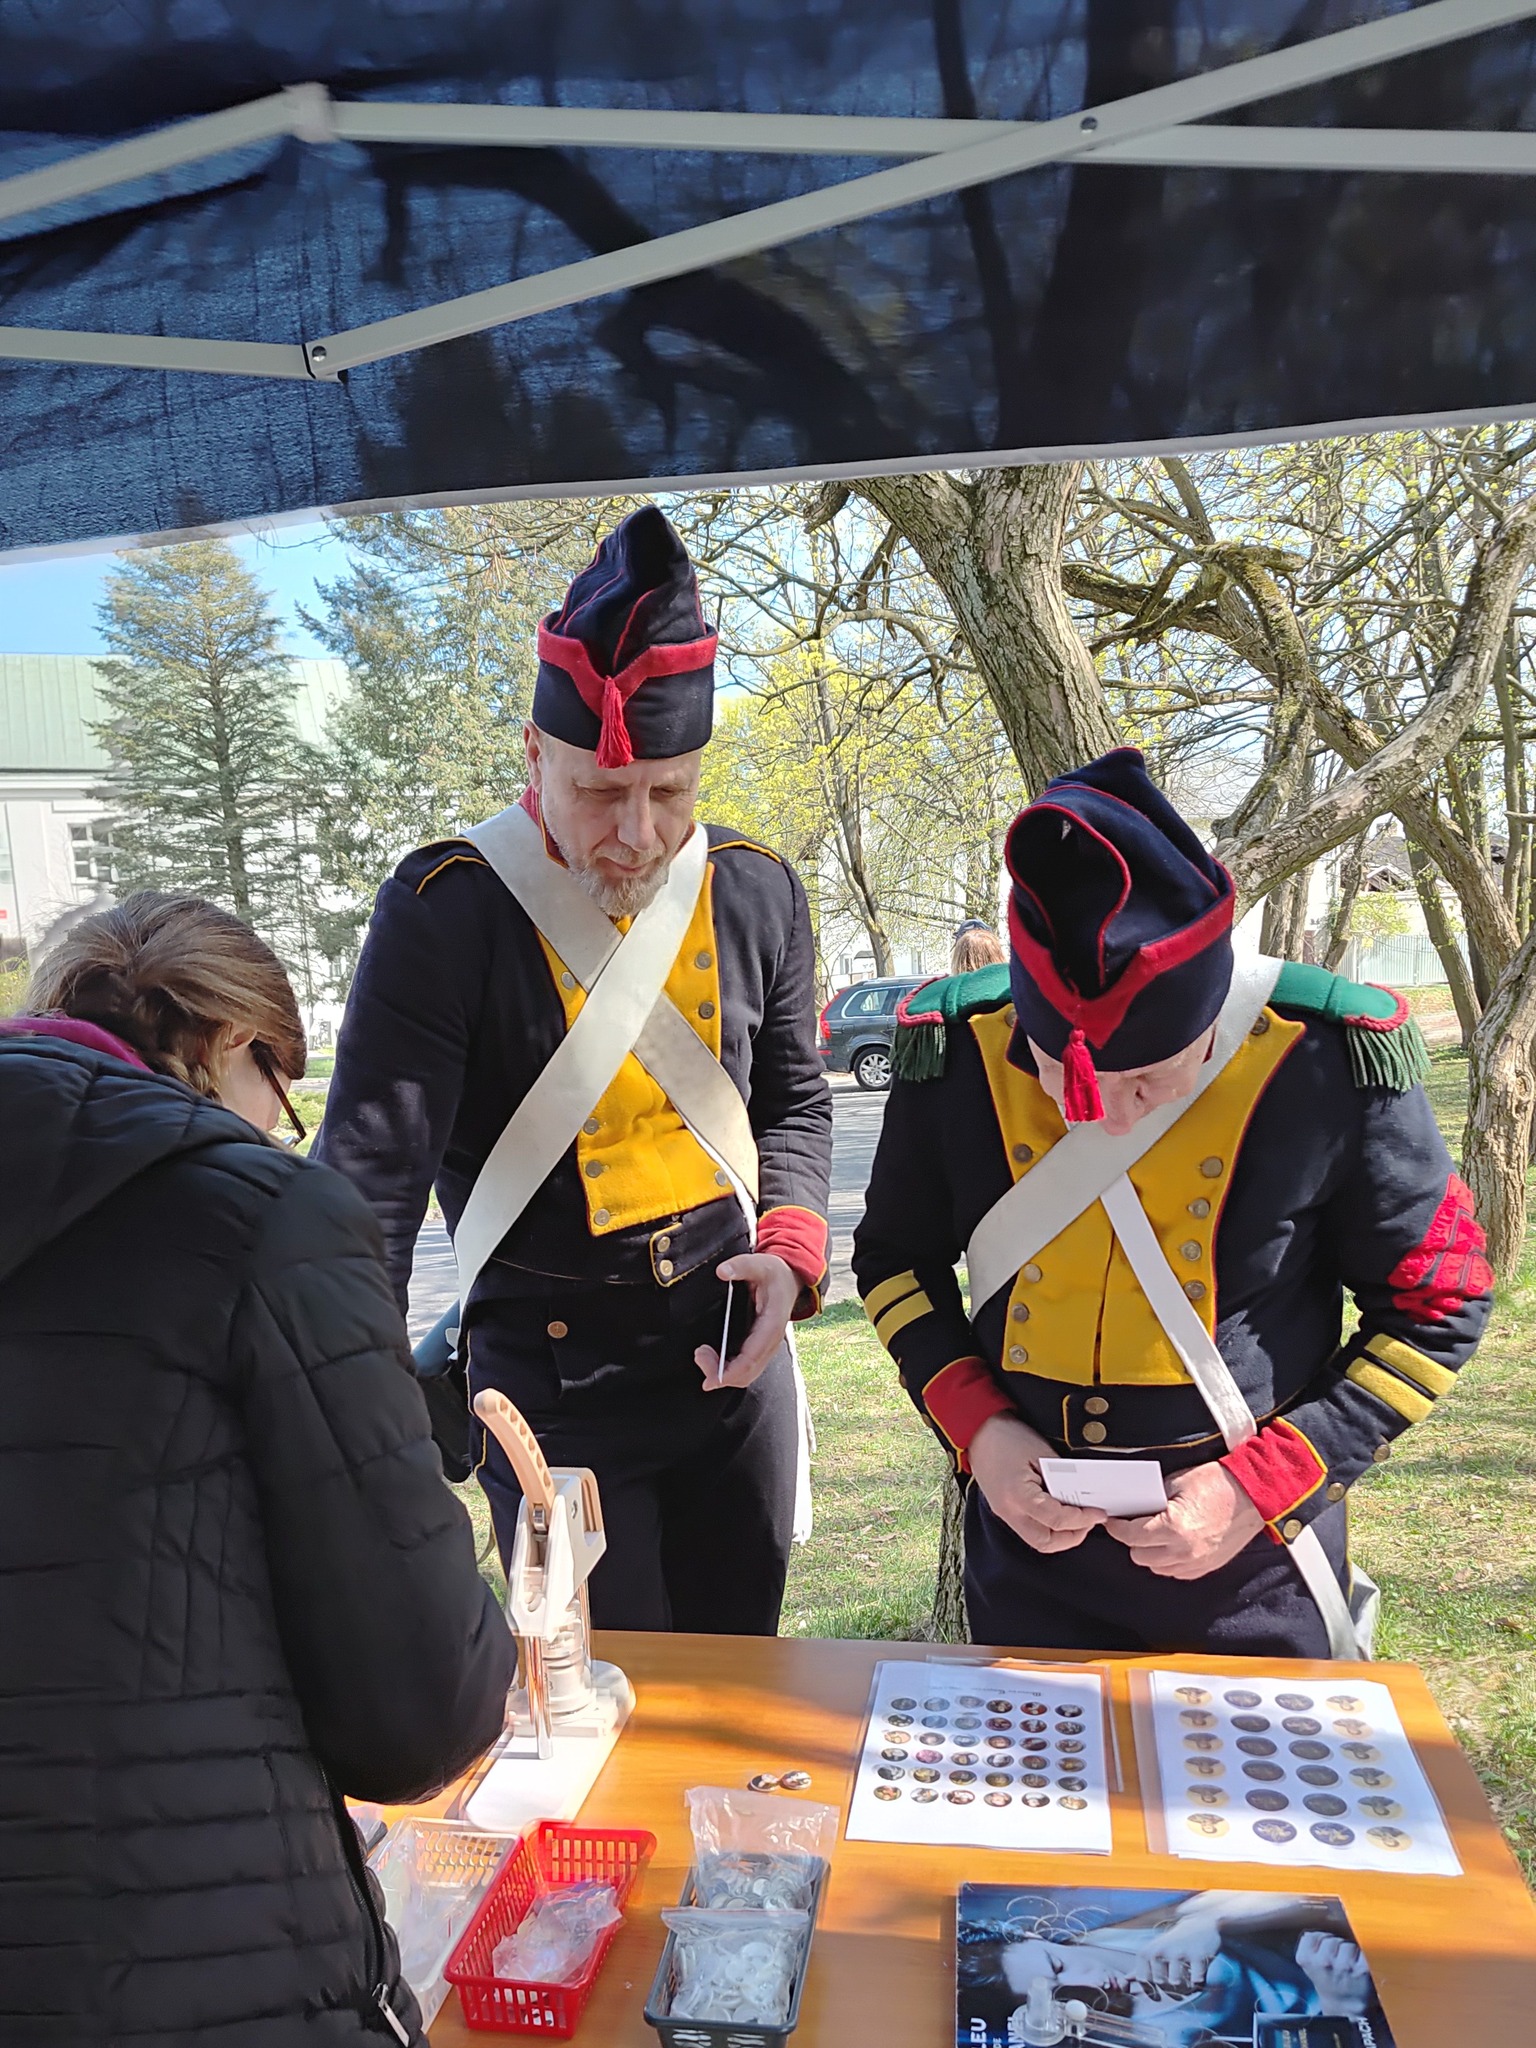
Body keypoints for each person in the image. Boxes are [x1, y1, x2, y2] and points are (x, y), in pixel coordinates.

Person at [0, 893, 514, 2047]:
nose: (280, 1130)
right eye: (282, 1100)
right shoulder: (263, 1216)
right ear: (232, 1047)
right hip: (210, 1966)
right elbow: (422, 1713)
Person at [318, 504, 833, 1635]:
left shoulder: (758, 890)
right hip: (552, 1397)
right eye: (601, 791)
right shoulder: (443, 913)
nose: (639, 834)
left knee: (741, 1682)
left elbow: (792, 1102)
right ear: (533, 755)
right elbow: (367, 1190)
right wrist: (350, 1408)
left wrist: (792, 1253)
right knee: (600, 1712)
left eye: (671, 790)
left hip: (731, 1373)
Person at [855, 748, 1493, 1655]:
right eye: (1066, 1081)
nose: (1110, 1118)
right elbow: (892, 1264)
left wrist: (1262, 1486)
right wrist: (981, 1431)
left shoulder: (1329, 1058)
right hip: (1027, 1562)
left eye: (1150, 1082)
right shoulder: (953, 1054)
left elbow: (1443, 1303)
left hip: (1255, 1561)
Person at [958, 1889, 1381, 2046]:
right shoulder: (1149, 2039)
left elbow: (1303, 1892)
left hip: (1372, 1934)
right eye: (1057, 1996)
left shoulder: (1104, 1934)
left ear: (1039, 1938)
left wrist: (1207, 1920)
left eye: (1058, 1964)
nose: (1086, 1985)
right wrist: (1343, 2010)